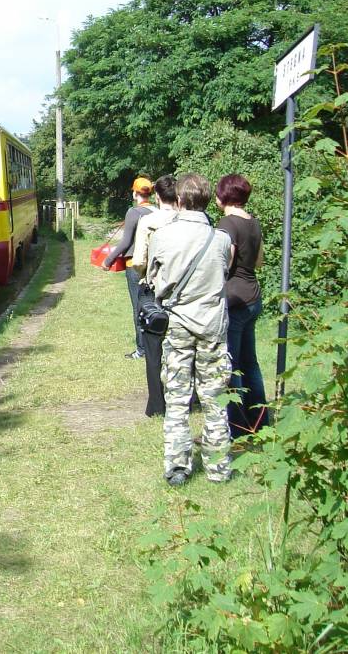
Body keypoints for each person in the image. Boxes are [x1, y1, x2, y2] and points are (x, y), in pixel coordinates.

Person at [144, 173, 233, 485]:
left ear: (179, 200)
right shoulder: (222, 239)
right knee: (215, 398)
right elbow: (225, 270)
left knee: (178, 398)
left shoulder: (163, 236)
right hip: (213, 326)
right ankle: (219, 468)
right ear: (207, 200)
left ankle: (178, 467)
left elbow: (152, 278)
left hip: (178, 324)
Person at [216, 173, 269, 438]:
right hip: (253, 296)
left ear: (223, 195)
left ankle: (236, 425)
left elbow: (225, 263)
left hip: (235, 299)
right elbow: (258, 261)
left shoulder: (227, 223)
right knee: (251, 362)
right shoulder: (254, 222)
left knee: (232, 363)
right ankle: (261, 420)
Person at [128, 174, 179, 417]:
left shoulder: (150, 222)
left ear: (158, 196)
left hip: (156, 289)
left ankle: (157, 403)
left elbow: (139, 260)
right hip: (184, 292)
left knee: (154, 346)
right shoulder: (188, 219)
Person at [102, 177, 156, 360]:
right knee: (154, 305)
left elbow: (125, 242)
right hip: (153, 266)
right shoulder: (157, 211)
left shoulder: (133, 212)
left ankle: (141, 349)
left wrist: (108, 260)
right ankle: (155, 344)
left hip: (134, 265)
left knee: (138, 307)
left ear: (135, 193)